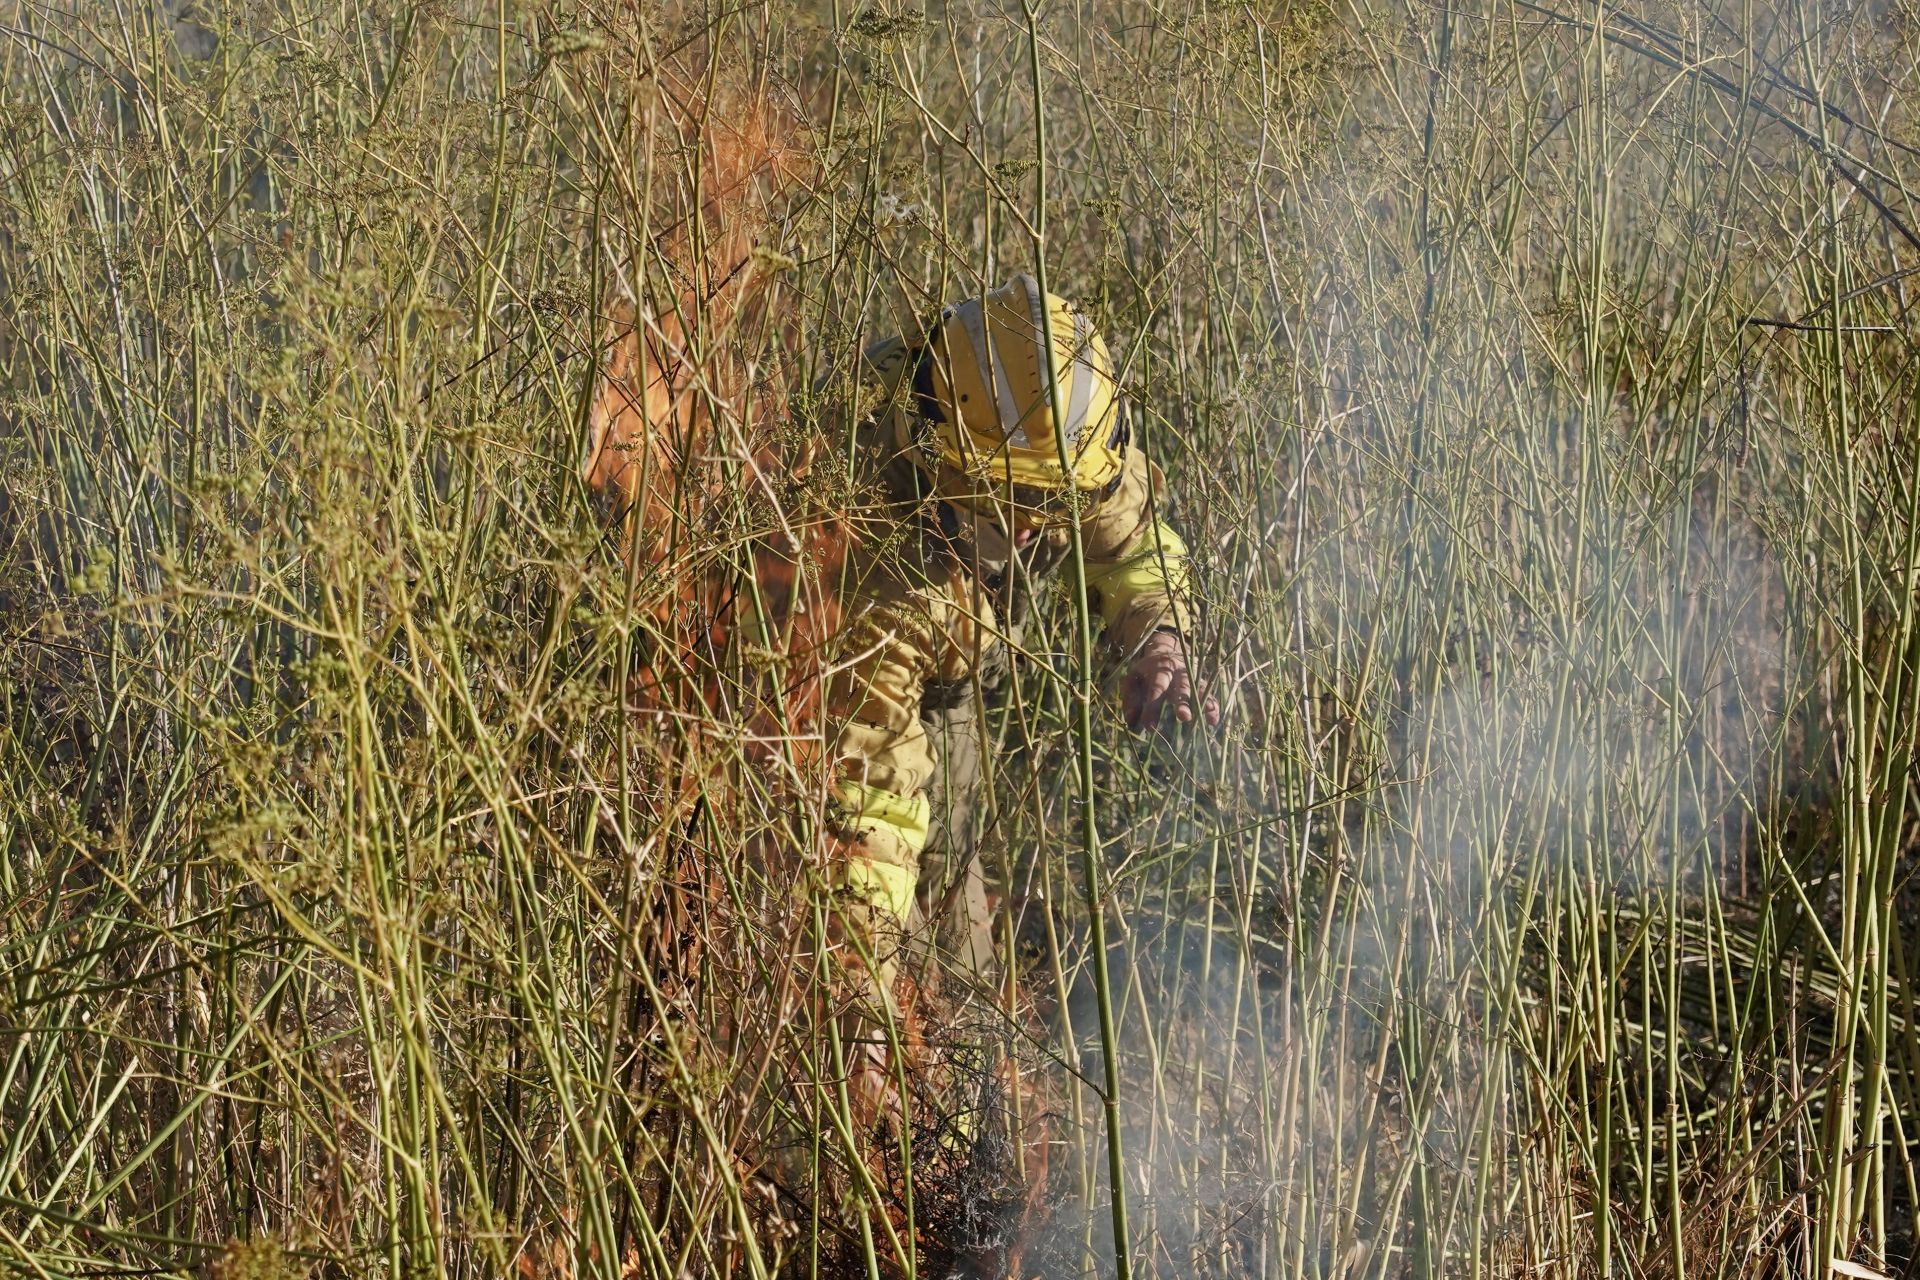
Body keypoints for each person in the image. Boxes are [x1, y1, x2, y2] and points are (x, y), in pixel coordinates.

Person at [815, 274, 1216, 1077]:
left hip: (951, 661)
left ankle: (962, 1071)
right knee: (873, 951)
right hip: (847, 699)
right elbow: (871, 815)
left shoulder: (1055, 422)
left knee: (962, 947)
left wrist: (1157, 636)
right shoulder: (878, 564)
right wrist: (863, 1001)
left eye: (1052, 505)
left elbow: (1129, 534)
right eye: (1014, 508)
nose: (1037, 533)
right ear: (947, 466)